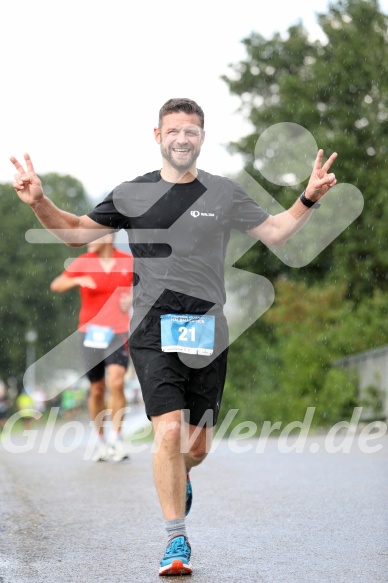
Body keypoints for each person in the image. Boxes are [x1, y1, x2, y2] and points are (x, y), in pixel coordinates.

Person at [11, 97, 337, 576]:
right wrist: (40, 201)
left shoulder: (223, 193)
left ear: (202, 138)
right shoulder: (131, 194)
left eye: (191, 131)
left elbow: (277, 231)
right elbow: (77, 232)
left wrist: (307, 198)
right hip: (149, 327)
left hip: (207, 326)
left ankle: (179, 474)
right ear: (158, 136)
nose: (182, 138)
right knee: (167, 430)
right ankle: (176, 541)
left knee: (196, 447)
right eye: (174, 130)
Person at [50, 233, 134, 462]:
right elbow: (56, 284)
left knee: (116, 382)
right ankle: (101, 441)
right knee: (96, 389)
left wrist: (133, 299)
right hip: (90, 332)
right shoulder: (84, 263)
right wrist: (77, 280)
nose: (88, 240)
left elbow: (149, 286)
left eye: (93, 235)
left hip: (118, 331)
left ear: (108, 237)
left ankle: (117, 438)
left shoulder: (127, 260)